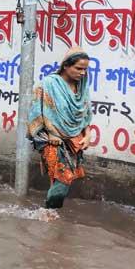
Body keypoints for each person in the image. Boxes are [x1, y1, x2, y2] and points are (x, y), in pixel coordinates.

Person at [27, 47, 92, 209]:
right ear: (65, 66)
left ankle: (50, 216)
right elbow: (36, 111)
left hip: (73, 139)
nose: (82, 73)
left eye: (85, 69)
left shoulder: (82, 86)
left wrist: (88, 134)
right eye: (78, 68)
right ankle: (49, 213)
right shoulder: (49, 84)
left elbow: (85, 113)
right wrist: (51, 133)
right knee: (63, 180)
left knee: (63, 179)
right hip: (51, 139)